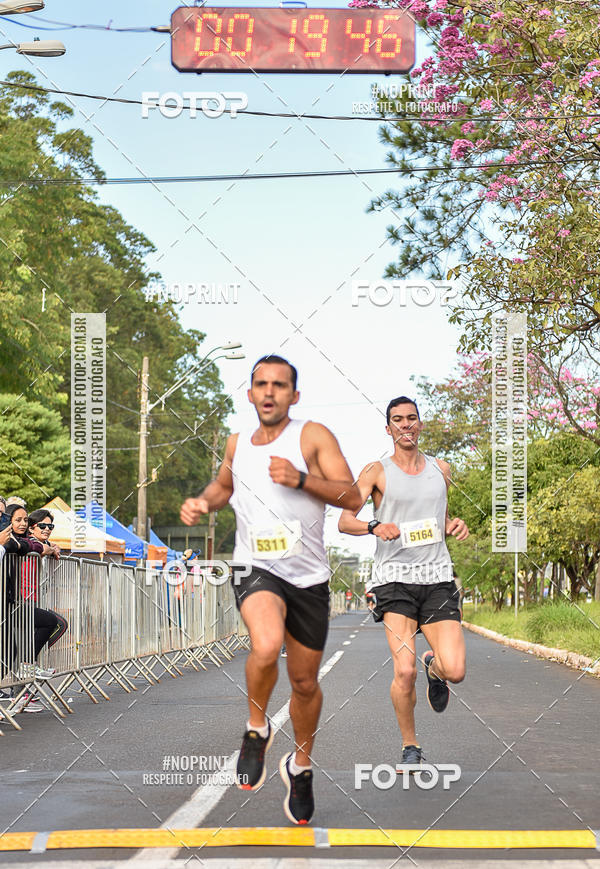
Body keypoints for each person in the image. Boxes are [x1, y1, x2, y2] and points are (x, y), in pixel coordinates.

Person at [181, 355, 360, 824]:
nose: (269, 392)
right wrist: (203, 501)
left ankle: (300, 767)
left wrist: (300, 478)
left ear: (293, 396)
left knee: (304, 683)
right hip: (254, 566)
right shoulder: (237, 444)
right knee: (265, 644)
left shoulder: (312, 435)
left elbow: (353, 497)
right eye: (261, 384)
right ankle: (256, 729)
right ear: (250, 392)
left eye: (279, 385)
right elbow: (223, 487)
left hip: (309, 578)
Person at [338, 396, 469, 767]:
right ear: (388, 428)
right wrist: (374, 525)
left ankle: (436, 669)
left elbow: (438, 519)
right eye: (398, 420)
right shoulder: (376, 472)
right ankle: (410, 746)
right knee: (404, 669)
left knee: (455, 670)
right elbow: (344, 520)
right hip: (394, 582)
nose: (405, 425)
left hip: (437, 577)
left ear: (420, 424)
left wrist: (452, 525)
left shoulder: (440, 469)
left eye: (411, 419)